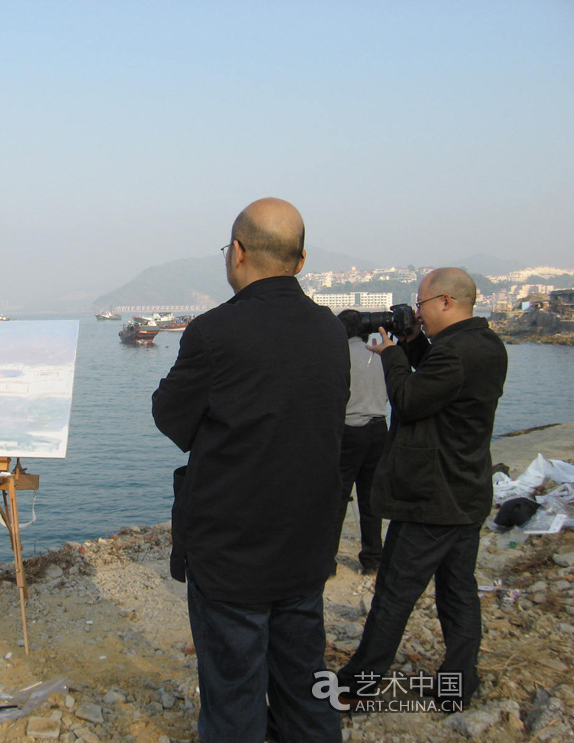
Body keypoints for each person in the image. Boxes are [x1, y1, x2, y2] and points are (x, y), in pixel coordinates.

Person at [152, 198, 350, 743]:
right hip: (306, 545)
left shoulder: (214, 333)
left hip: (231, 553)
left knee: (234, 696)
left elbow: (172, 419)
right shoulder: (332, 333)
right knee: (307, 687)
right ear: (301, 260)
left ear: (237, 253)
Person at [337, 267, 507, 710]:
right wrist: (412, 344)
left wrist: (391, 352)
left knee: (394, 594)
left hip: (432, 498)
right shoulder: (483, 344)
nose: (418, 314)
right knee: (457, 593)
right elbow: (439, 382)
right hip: (467, 491)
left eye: (422, 305)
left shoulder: (455, 353)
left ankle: (356, 686)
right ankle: (459, 685)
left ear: (446, 301)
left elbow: (411, 399)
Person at [332, 310, 389, 576]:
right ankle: (373, 559)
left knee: (337, 498)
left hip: (349, 430)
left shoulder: (339, 356)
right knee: (370, 498)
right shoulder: (379, 354)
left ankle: (327, 561)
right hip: (379, 429)